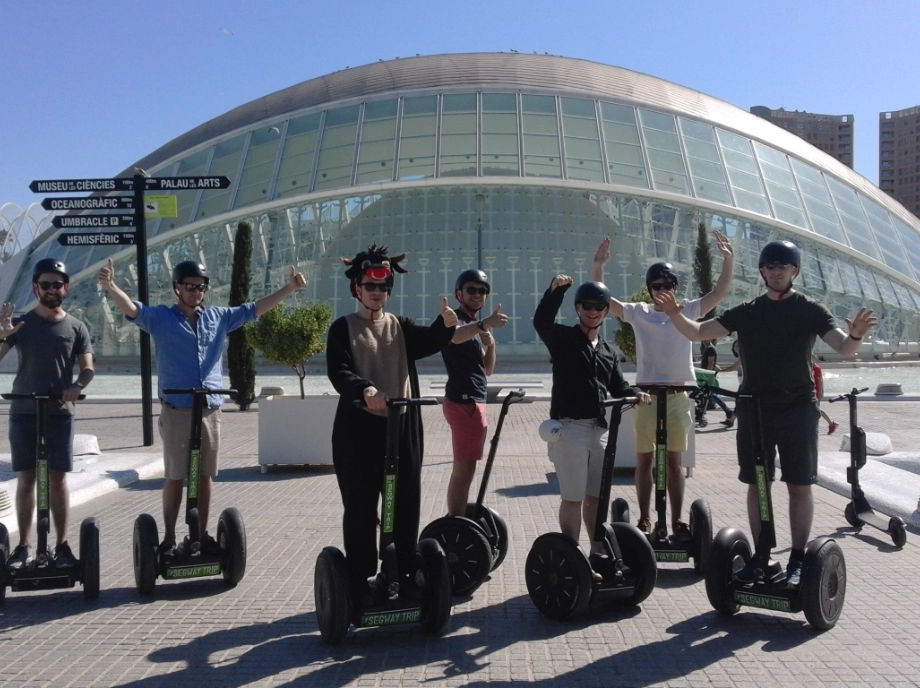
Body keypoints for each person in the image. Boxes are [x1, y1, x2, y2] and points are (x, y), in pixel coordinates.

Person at [654, 239, 877, 588]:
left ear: (794, 270)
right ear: (761, 271)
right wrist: (673, 314)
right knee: (758, 483)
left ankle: (798, 559)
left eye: (784, 266)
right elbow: (698, 333)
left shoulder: (810, 309)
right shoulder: (747, 310)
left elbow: (845, 348)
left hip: (798, 407)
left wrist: (856, 335)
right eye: (770, 265)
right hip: (755, 407)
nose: (776, 271)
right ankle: (761, 555)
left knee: (798, 485)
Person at [97, 257, 306, 558]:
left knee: (206, 475)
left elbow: (253, 310)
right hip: (178, 408)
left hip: (209, 408)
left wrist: (289, 288)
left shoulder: (217, 317)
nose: (196, 292)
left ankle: (201, 534)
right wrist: (111, 286)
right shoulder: (161, 318)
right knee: (176, 475)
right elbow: (132, 309)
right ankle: (168, 538)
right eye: (190, 287)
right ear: (176, 288)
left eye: (200, 287)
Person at [326, 243, 457, 603]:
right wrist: (364, 388)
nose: (378, 293)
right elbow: (338, 370)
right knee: (361, 507)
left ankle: (401, 572)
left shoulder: (400, 326)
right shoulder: (343, 328)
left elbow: (430, 340)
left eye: (383, 288)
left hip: (400, 429)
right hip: (358, 430)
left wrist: (445, 326)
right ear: (357, 289)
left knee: (404, 504)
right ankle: (359, 578)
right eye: (371, 286)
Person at [593, 231, 734, 539]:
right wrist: (598, 266)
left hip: (677, 395)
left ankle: (678, 520)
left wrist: (727, 258)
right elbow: (605, 300)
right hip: (645, 395)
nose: (661, 291)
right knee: (644, 461)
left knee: (673, 462)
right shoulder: (638, 312)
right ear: (649, 288)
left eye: (667, 285)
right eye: (655, 286)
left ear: (675, 287)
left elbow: (720, 293)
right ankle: (644, 518)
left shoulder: (688, 309)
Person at [533, 276, 651, 578]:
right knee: (572, 496)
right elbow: (541, 321)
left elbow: (618, 385)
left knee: (596, 497)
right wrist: (556, 291)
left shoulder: (609, 351)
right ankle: (571, 556)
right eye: (587, 305)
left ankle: (596, 550)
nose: (593, 311)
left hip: (600, 432)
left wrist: (635, 395)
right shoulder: (563, 339)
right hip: (570, 429)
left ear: (607, 310)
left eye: (600, 306)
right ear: (577, 308)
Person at [2, 259, 94, 569]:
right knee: (26, 479)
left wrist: (76, 386)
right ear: (35, 288)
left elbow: (88, 368)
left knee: (57, 480)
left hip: (59, 412)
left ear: (66, 288)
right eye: (46, 284)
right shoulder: (21, 323)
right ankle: (24, 545)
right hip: (24, 411)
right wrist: (3, 334)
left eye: (57, 284)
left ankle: (62, 544)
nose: (52, 289)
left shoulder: (77, 326)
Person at [441, 269, 509, 516]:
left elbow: (487, 370)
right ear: (459, 294)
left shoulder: (473, 327)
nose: (478, 294)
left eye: (482, 291)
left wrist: (491, 345)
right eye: (471, 290)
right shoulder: (455, 319)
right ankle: (454, 521)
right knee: (464, 470)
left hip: (475, 400)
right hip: (463, 402)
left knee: (467, 468)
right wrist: (483, 324)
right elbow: (454, 338)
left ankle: (456, 518)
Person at [699, 339, 735, 427]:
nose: (703, 340)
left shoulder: (711, 349)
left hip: (708, 375)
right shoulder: (706, 348)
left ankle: (728, 411)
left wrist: (706, 375)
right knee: (706, 394)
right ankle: (701, 413)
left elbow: (711, 362)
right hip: (707, 374)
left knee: (710, 394)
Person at [812, 354, 838, 434]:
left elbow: (820, 381)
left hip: (815, 392)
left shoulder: (816, 368)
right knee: (815, 409)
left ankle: (830, 424)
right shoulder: (809, 368)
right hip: (811, 392)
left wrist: (821, 392)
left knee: (815, 410)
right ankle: (831, 424)